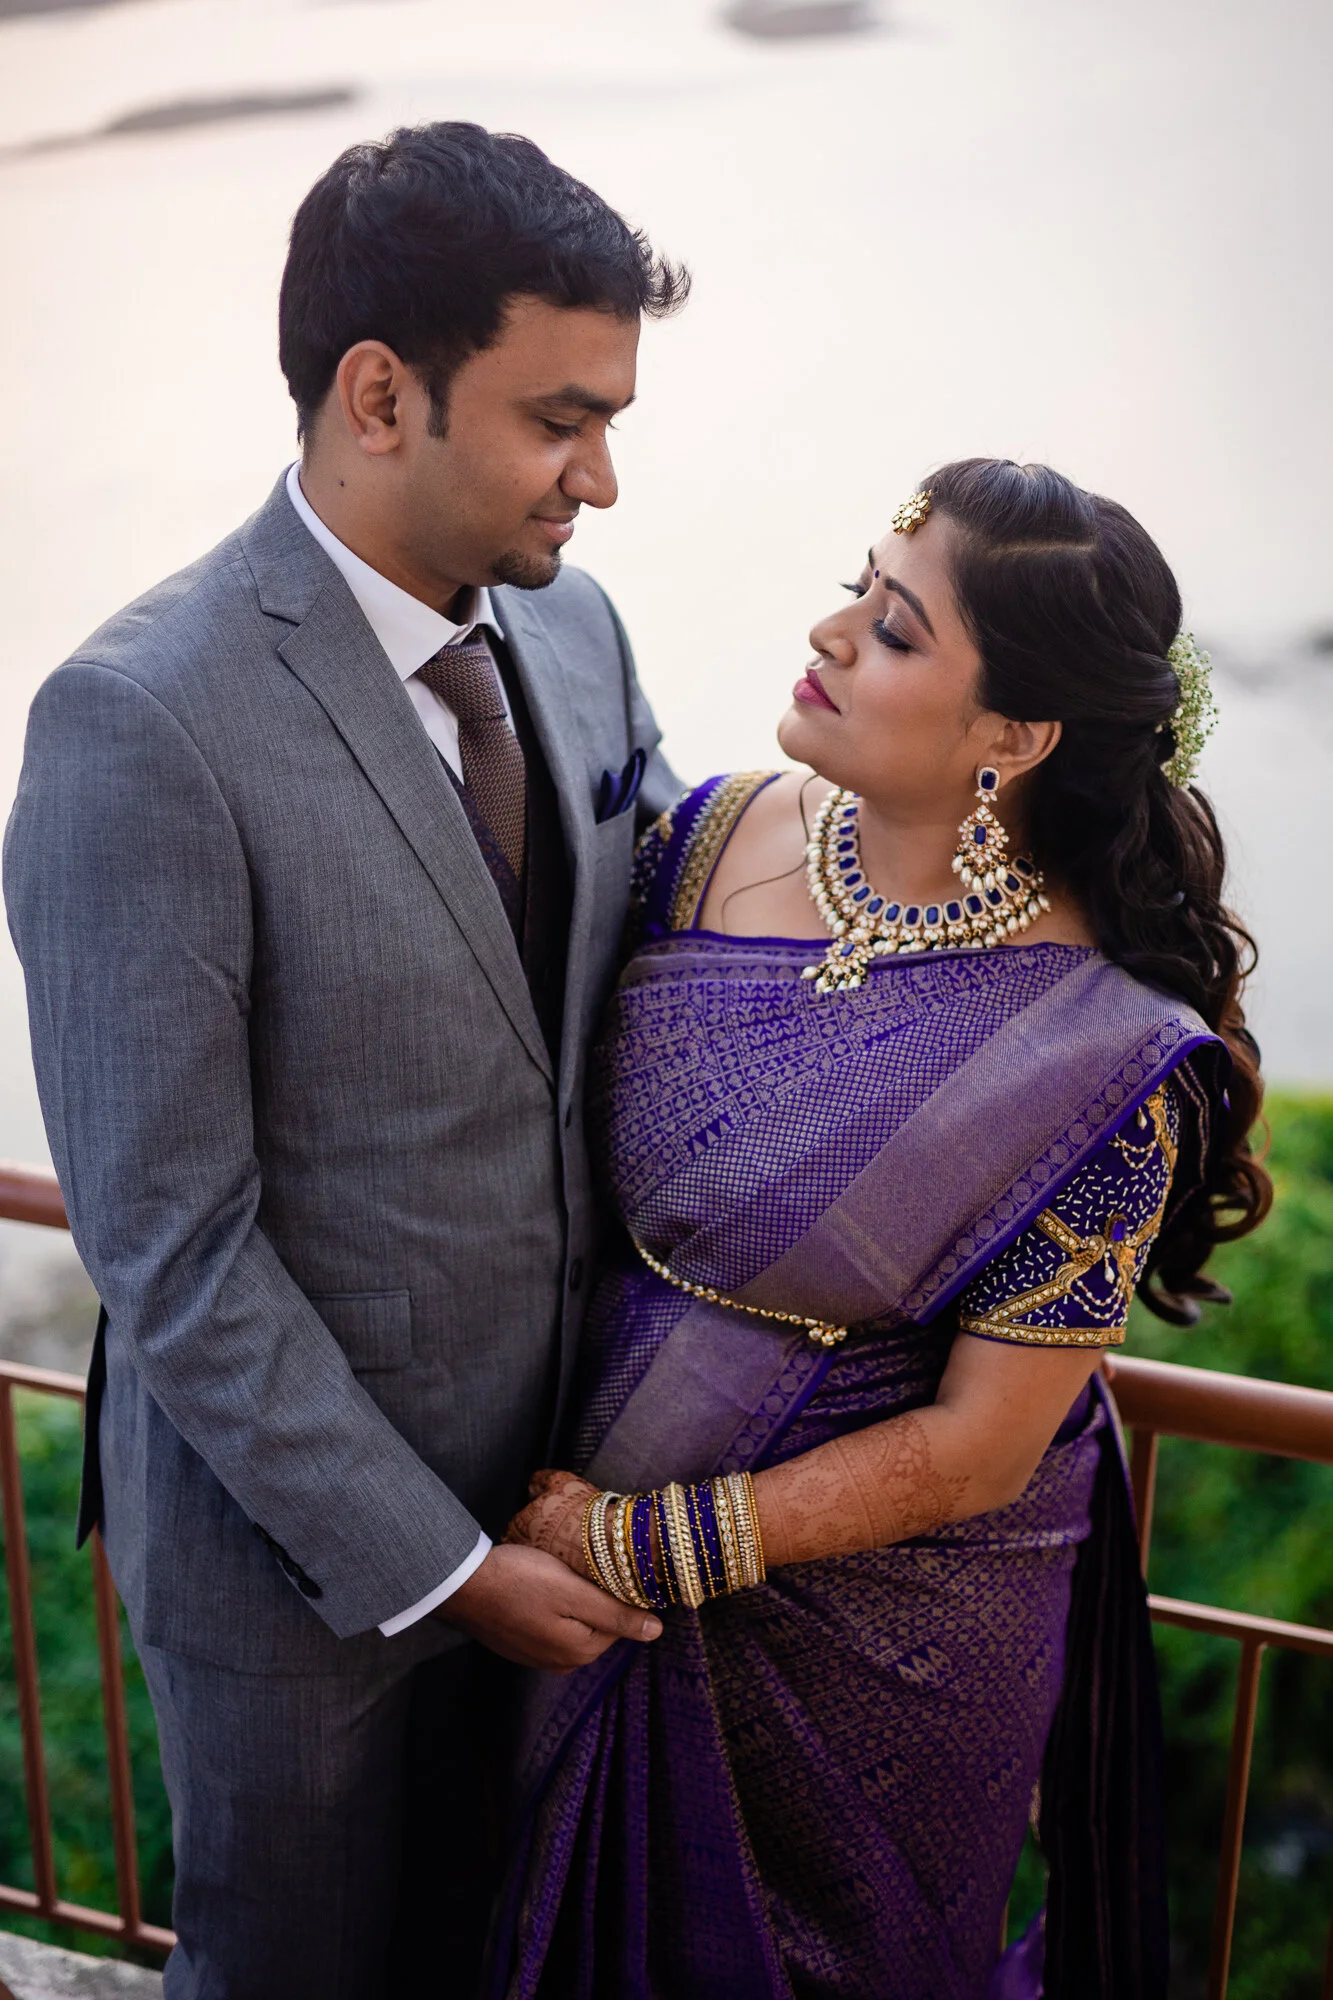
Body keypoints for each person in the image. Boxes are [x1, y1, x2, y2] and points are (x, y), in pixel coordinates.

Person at [4, 123, 683, 1998]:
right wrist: (448, 1573)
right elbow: (170, 1250)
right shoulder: (139, 722)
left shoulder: (579, 628)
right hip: (303, 1581)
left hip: (566, 1508)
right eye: (561, 419)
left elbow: (675, 936)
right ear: (380, 394)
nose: (603, 481)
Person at [496, 459, 1272, 2000]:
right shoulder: (704, 842)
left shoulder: (1097, 1061)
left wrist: (647, 1541)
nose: (831, 630)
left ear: (1016, 738)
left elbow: (989, 1445)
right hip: (565, 1544)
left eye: (898, 629)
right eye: (860, 584)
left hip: (877, 1651)